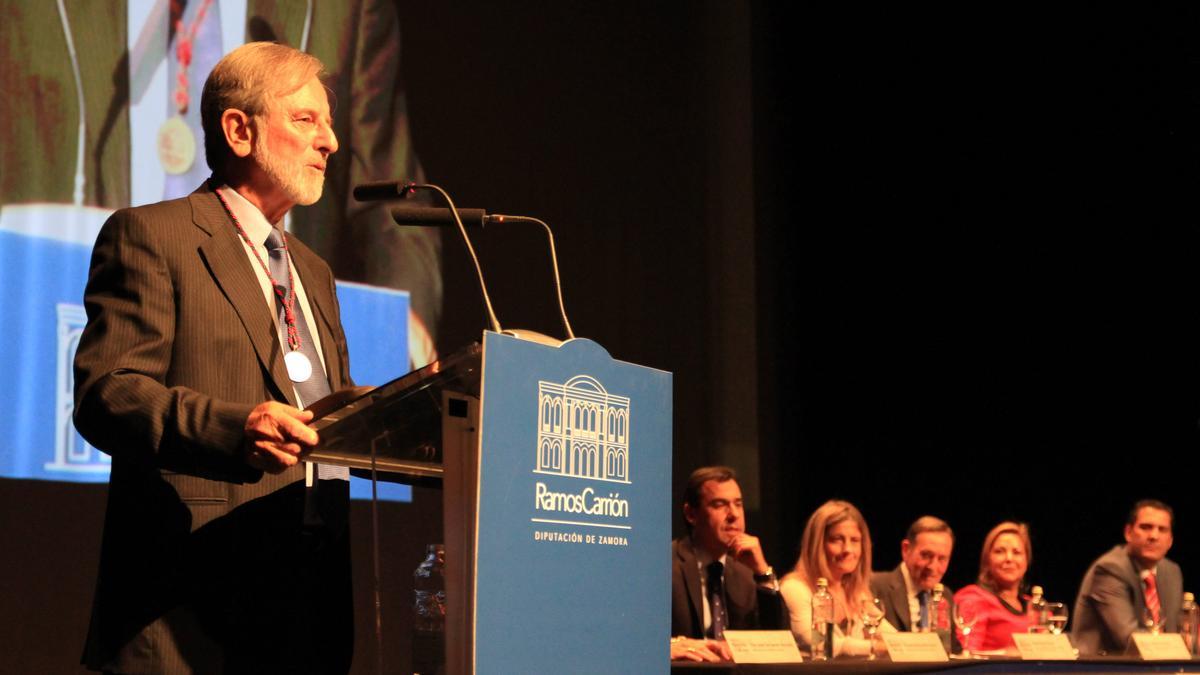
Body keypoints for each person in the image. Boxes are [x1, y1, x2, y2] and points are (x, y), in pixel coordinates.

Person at [74, 42, 356, 673]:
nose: (331, 142)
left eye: (329, 123)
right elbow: (108, 392)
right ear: (239, 130)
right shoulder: (153, 234)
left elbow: (319, 405)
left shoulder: (314, 270)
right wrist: (235, 427)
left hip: (309, 607)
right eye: (308, 120)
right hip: (190, 610)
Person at [671, 466, 785, 654]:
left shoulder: (745, 572)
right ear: (691, 514)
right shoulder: (666, 566)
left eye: (738, 504)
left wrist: (763, 574)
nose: (734, 515)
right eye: (719, 505)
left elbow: (779, 642)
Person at [780, 500, 893, 657]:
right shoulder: (795, 588)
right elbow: (819, 643)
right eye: (837, 539)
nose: (847, 549)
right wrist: (876, 647)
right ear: (817, 544)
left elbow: (894, 639)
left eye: (854, 540)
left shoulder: (856, 593)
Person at [1072, 499, 1183, 656]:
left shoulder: (1171, 571)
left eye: (1162, 529)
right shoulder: (1109, 569)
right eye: (1146, 527)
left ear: (1170, 540)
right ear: (1128, 533)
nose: (1154, 535)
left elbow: (1173, 630)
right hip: (1104, 667)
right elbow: (1128, 638)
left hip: (1157, 666)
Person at [952, 521, 1035, 654]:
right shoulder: (973, 598)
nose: (1009, 558)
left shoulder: (1035, 606)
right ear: (987, 560)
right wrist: (1006, 654)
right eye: (999, 552)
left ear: (1027, 560)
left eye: (1017, 552)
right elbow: (967, 655)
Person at [870, 515, 957, 634]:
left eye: (942, 559)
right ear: (906, 549)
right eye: (926, 555)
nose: (932, 566)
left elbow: (953, 649)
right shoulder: (875, 586)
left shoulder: (945, 596)